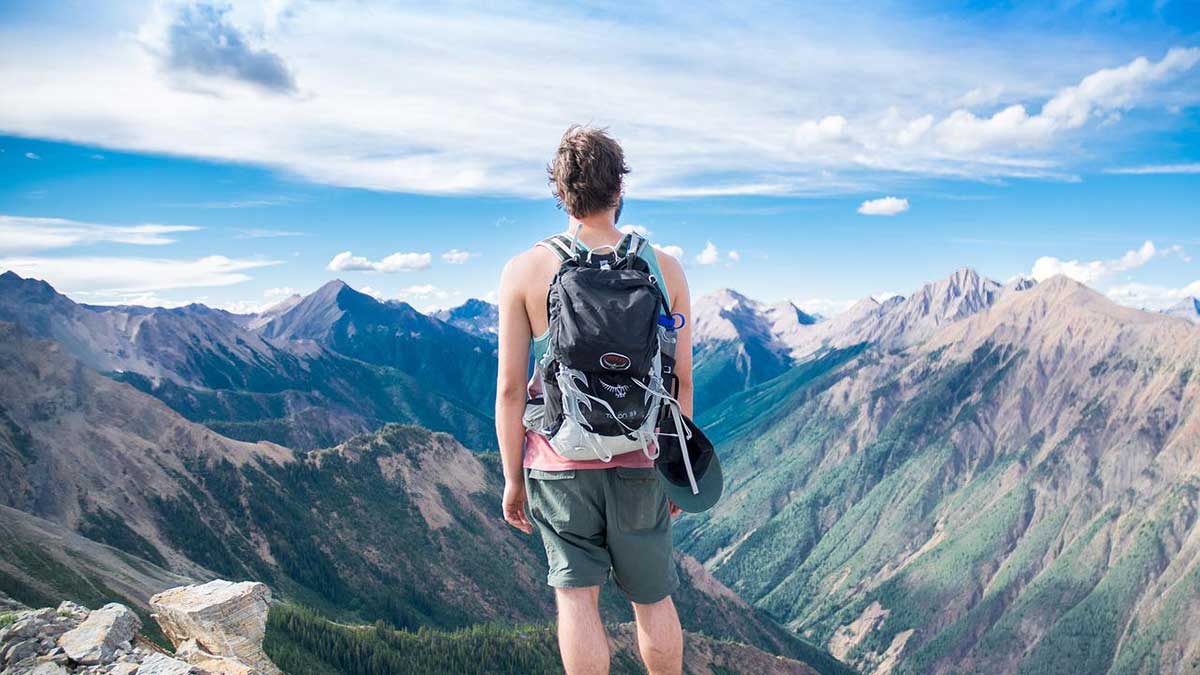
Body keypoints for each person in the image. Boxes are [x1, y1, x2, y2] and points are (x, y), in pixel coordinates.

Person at [496, 125, 693, 675]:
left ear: (559, 192)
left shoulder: (524, 271)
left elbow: (511, 389)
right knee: (652, 600)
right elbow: (680, 381)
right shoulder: (663, 268)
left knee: (576, 600)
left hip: (559, 465)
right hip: (642, 458)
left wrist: (513, 477)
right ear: (619, 189)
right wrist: (680, 469)